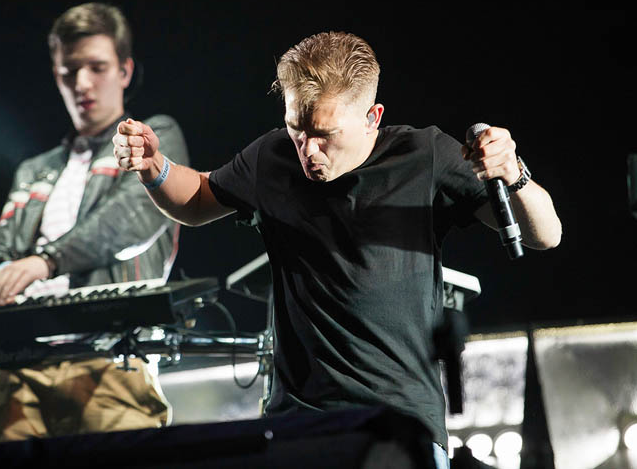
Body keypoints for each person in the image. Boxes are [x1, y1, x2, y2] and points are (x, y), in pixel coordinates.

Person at [112, 31, 561, 467]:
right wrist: (155, 167)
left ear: (373, 116)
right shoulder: (272, 159)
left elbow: (545, 233)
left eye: (324, 133)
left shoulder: (424, 156)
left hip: (400, 426)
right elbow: (198, 200)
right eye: (297, 130)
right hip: (298, 427)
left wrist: (515, 175)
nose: (309, 149)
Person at [0, 2, 189, 447]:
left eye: (96, 67)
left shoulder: (153, 135)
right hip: (20, 362)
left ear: (125, 71)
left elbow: (130, 220)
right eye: (69, 71)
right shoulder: (33, 170)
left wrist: (42, 262)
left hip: (112, 359)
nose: (82, 83)